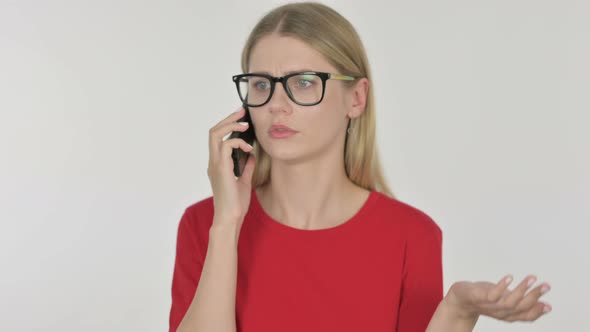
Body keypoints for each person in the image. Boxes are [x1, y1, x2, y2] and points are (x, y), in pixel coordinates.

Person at [168, 2, 552, 332]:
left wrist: (457, 311)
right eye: (261, 84)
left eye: (302, 82)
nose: (275, 104)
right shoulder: (205, 225)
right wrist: (227, 223)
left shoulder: (411, 236)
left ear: (356, 98)